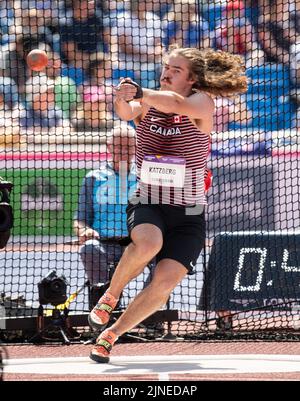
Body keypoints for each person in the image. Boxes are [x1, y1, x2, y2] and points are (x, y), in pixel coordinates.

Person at [88, 45, 248, 363]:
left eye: (176, 69)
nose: (167, 72)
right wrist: (122, 98)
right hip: (149, 200)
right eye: (166, 66)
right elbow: (126, 113)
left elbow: (174, 103)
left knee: (164, 283)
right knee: (148, 243)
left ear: (192, 79)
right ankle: (111, 295)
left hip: (189, 213)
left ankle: (112, 334)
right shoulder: (147, 103)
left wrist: (140, 91)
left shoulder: (201, 103)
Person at [73, 124, 136, 286]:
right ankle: (104, 297)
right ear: (109, 147)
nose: (124, 151)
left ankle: (151, 308)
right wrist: (85, 230)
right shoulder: (93, 178)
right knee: (89, 248)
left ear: (137, 148)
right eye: (119, 146)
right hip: (104, 245)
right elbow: (80, 219)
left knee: (163, 253)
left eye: (129, 147)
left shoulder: (145, 178)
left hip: (138, 247)